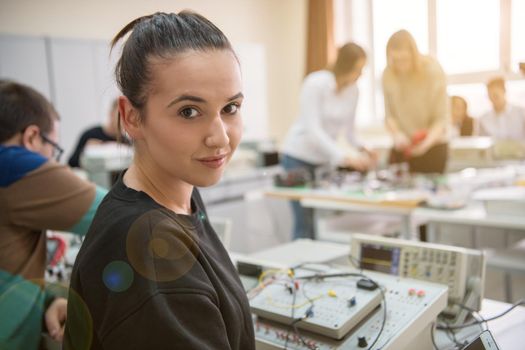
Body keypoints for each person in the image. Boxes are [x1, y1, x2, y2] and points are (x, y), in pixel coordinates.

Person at [64, 11, 255, 350]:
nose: (220, 138)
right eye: (189, 112)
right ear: (132, 117)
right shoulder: (151, 251)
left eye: (230, 108)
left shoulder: (178, 194)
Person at [0, 80, 107, 349]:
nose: (52, 161)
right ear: (32, 137)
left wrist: (49, 300)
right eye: (53, 148)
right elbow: (121, 214)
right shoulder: (13, 163)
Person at [280, 42, 375, 240]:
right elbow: (313, 130)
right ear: (346, 65)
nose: (361, 74)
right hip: (298, 157)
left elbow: (350, 133)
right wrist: (344, 158)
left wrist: (364, 149)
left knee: (323, 220)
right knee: (304, 222)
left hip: (323, 161)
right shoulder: (315, 83)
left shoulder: (354, 91)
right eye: (359, 68)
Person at [382, 30, 449, 174]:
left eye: (404, 59)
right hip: (404, 147)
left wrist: (426, 143)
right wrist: (397, 134)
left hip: (433, 146)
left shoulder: (433, 71)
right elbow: (389, 116)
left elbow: (441, 118)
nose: (400, 65)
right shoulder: (388, 74)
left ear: (414, 54)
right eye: (395, 60)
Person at [477, 77, 525, 141]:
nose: (492, 99)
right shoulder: (483, 119)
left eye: (495, 95)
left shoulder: (521, 113)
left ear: (504, 91)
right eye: (489, 95)